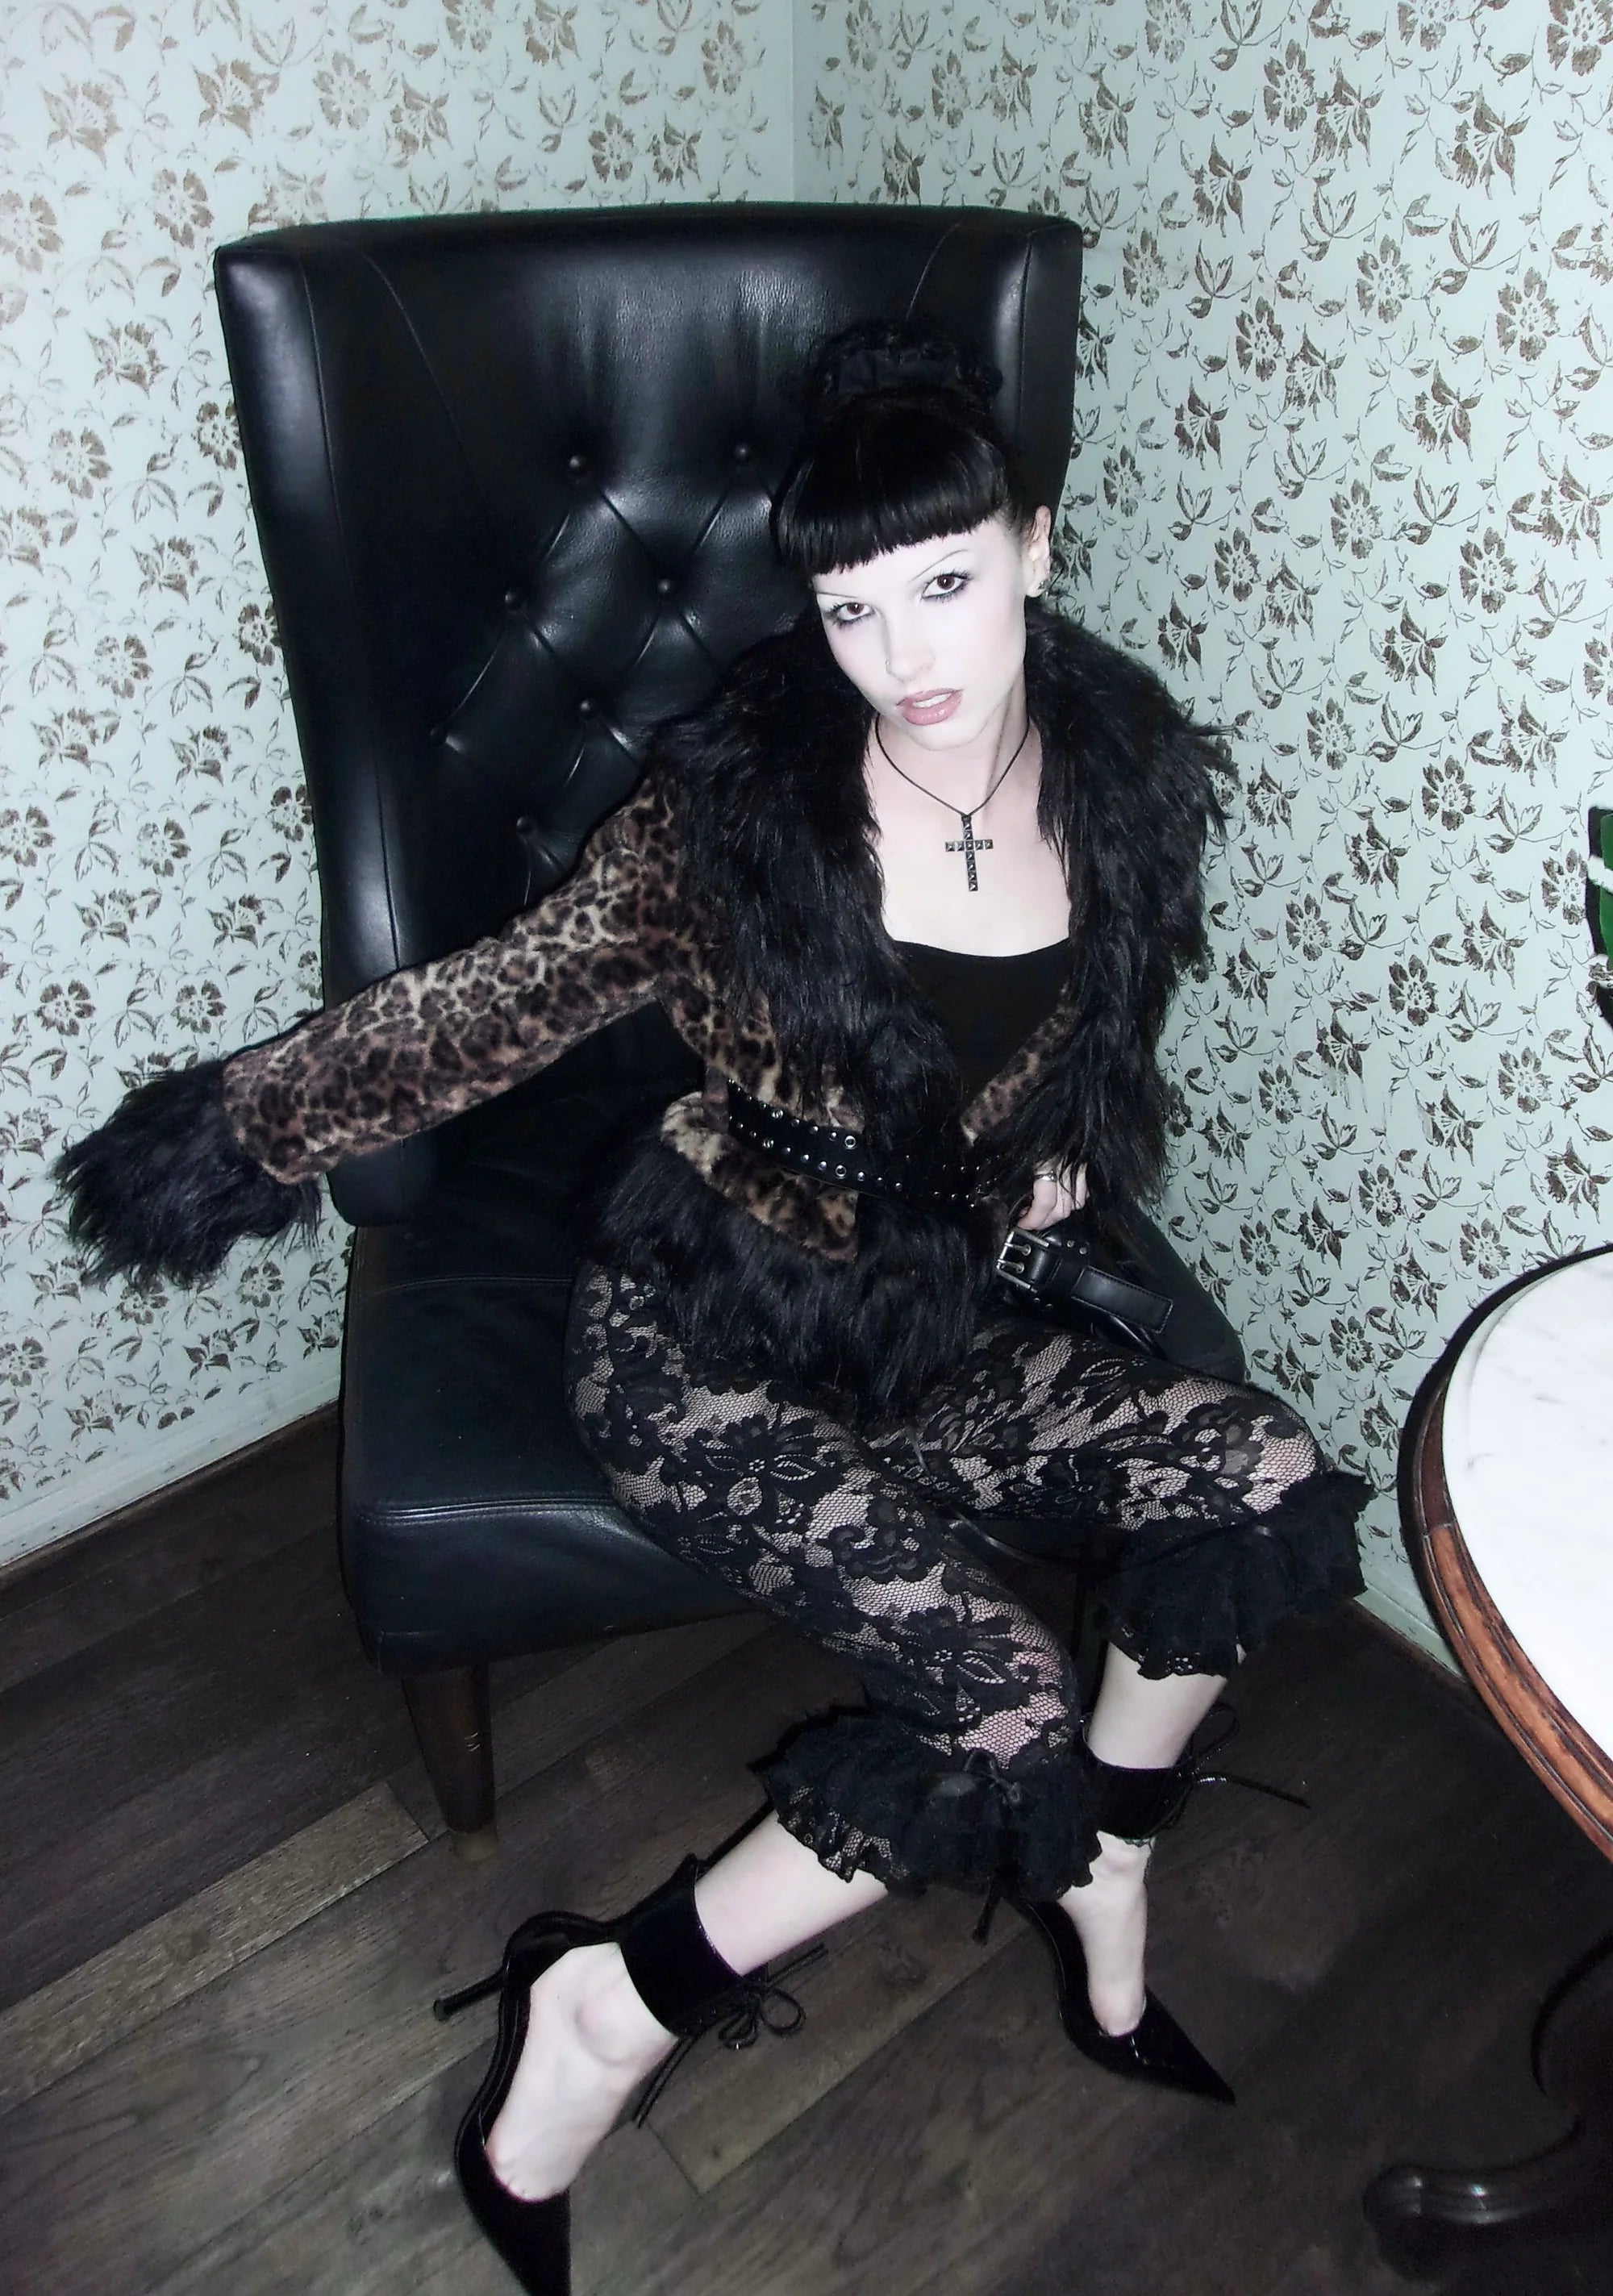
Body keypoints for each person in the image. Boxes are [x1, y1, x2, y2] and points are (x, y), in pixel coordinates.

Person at [59, 323, 1366, 2296]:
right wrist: (245, 1129)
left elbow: (1091, 1021)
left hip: (929, 1328)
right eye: (849, 608)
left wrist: (1049, 1150)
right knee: (999, 1698)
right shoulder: (733, 822)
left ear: (1033, 541)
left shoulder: (1120, 774)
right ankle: (601, 2006)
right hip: (709, 1334)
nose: (904, 655)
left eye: (944, 582)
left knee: (1260, 1473)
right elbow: (488, 1006)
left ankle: (1106, 1862)